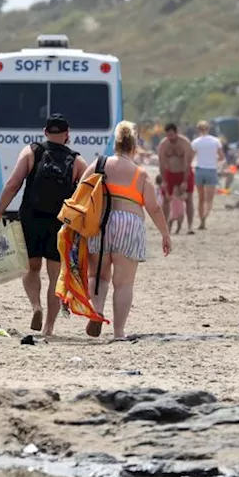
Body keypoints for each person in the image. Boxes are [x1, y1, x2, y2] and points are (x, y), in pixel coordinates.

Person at [0, 114, 86, 336]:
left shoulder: (32, 152)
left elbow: (13, 183)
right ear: (67, 134)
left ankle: (36, 306)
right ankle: (49, 327)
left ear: (45, 132)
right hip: (58, 222)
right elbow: (88, 192)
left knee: (31, 268)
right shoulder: (77, 161)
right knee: (54, 275)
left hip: (31, 217)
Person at [79, 121, 172, 339]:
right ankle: (118, 332)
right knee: (123, 283)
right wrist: (165, 234)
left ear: (116, 144)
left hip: (100, 223)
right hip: (129, 224)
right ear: (134, 147)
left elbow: (80, 192)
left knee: (98, 276)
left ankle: (97, 310)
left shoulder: (99, 164)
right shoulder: (140, 173)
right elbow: (154, 207)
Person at [158, 123, 195, 234]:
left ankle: (189, 226)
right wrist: (164, 180)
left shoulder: (185, 143)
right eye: (168, 135)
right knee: (166, 199)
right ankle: (165, 226)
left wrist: (184, 181)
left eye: (172, 135)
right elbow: (161, 163)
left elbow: (187, 163)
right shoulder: (164, 144)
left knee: (188, 199)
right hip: (171, 173)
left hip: (184, 172)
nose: (170, 138)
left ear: (176, 133)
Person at [190, 121, 224, 230]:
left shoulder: (196, 142)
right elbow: (222, 157)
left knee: (201, 198)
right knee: (209, 199)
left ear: (198, 130)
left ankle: (201, 219)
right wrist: (214, 160)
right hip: (211, 170)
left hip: (199, 170)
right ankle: (204, 216)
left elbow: (191, 157)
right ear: (208, 129)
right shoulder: (215, 141)